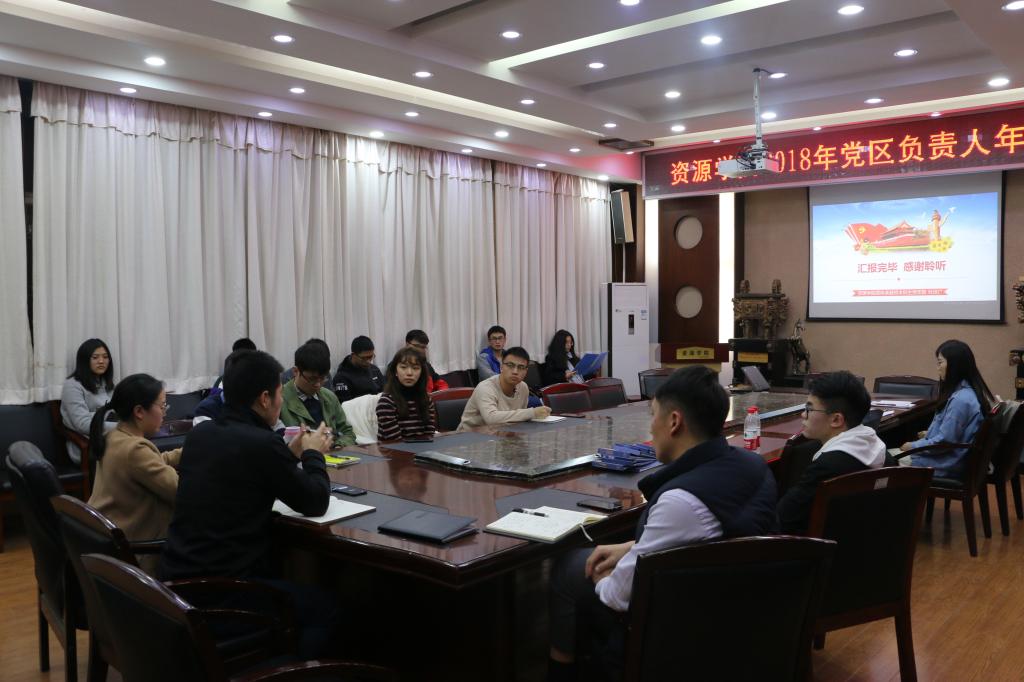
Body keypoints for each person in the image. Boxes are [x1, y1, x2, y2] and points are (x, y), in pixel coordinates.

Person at [546, 366, 777, 682]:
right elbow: (707, 534)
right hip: (739, 608)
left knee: (570, 568)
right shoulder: (753, 463)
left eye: (653, 415)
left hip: (681, 629)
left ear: (674, 422)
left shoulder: (681, 502)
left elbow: (617, 596)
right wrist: (631, 547)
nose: (650, 428)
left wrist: (605, 575)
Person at [159, 350, 337, 658]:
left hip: (178, 582)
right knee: (326, 608)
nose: (281, 402)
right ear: (265, 399)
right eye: (279, 394)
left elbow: (244, 473)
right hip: (226, 594)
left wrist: (290, 454)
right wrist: (313, 454)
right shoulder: (263, 443)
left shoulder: (202, 434)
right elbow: (316, 501)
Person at [86, 374, 181, 574]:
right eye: (162, 406)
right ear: (139, 411)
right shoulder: (135, 450)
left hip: (109, 543)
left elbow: (152, 463)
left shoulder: (115, 436)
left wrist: (188, 451)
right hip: (137, 555)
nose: (164, 413)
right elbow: (181, 492)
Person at [777, 371, 887, 534]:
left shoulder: (827, 466)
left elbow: (784, 516)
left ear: (836, 419)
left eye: (809, 409)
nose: (803, 414)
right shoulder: (880, 451)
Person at [899, 339, 994, 479]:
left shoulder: (961, 400)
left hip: (947, 464)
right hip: (955, 459)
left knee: (885, 460)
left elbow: (945, 442)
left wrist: (912, 446)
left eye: (940, 362)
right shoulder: (967, 392)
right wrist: (930, 433)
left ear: (955, 365)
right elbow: (954, 433)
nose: (938, 368)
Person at [280, 341, 356, 448]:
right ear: (296, 371)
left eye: (323, 378)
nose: (318, 384)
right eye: (312, 379)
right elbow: (276, 442)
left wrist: (336, 445)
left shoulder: (329, 397)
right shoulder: (280, 399)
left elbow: (347, 432)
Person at [458, 347, 551, 431]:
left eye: (521, 367)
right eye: (510, 365)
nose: (515, 371)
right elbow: (491, 419)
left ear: (526, 371)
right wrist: (532, 413)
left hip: (502, 434)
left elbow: (519, 420)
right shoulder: (485, 388)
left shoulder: (523, 388)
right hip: (470, 437)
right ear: (501, 367)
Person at [61, 338, 116, 465]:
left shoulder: (107, 383)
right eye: (95, 357)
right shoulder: (72, 385)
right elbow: (83, 424)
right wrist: (123, 427)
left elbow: (117, 411)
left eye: (105, 357)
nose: (101, 361)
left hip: (112, 439)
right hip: (87, 446)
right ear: (84, 360)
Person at [376, 347, 438, 442]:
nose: (409, 373)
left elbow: (429, 435)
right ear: (395, 371)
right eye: (403, 367)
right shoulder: (386, 402)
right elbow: (395, 441)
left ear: (421, 372)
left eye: (415, 368)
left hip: (423, 448)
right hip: (393, 449)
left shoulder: (426, 398)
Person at [333, 335, 385, 403]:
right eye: (364, 358)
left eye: (370, 357)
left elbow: (385, 392)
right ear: (353, 355)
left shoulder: (374, 369)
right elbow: (345, 405)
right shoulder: (341, 378)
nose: (368, 361)